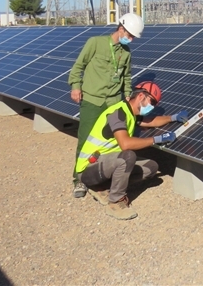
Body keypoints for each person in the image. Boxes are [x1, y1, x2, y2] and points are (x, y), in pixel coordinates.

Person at [75, 81, 188, 220]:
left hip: (106, 164)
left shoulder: (130, 113)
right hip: (88, 169)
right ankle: (115, 202)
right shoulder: (117, 113)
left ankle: (102, 188)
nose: (152, 107)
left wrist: (173, 118)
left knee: (150, 167)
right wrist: (156, 139)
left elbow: (151, 121)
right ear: (141, 96)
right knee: (128, 156)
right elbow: (125, 144)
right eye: (151, 102)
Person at [68, 12, 144, 198]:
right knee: (86, 140)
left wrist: (127, 94)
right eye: (130, 35)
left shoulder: (126, 53)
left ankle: (105, 173)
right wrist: (75, 86)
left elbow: (126, 76)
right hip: (93, 101)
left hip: (113, 102)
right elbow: (79, 66)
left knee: (112, 142)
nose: (131, 39)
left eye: (133, 36)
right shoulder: (95, 43)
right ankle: (78, 179)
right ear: (121, 28)